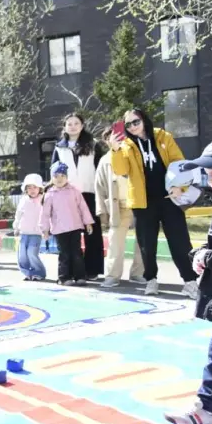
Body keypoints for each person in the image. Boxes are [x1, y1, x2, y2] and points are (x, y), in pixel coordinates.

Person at [165, 137, 212, 424]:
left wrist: (211, 257)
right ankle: (206, 410)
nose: (210, 180)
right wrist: (201, 254)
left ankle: (206, 409)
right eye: (208, 173)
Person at [110, 108, 198, 298]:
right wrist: (115, 149)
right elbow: (120, 170)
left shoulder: (163, 136)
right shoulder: (125, 145)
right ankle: (151, 280)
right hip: (143, 202)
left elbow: (179, 162)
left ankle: (190, 281)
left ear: (144, 120)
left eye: (136, 122)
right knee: (147, 245)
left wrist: (180, 186)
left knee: (180, 241)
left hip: (169, 199)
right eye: (128, 124)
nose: (133, 127)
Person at [52, 114, 105, 279]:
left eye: (76, 123)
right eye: (69, 124)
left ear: (82, 125)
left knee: (92, 232)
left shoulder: (93, 144)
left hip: (89, 193)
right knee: (70, 234)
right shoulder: (59, 148)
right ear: (64, 127)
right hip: (67, 196)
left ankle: (92, 269)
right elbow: (54, 171)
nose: (73, 126)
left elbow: (101, 168)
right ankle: (74, 270)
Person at [95, 130, 146, 288]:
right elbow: (99, 187)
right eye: (111, 137)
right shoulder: (105, 160)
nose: (116, 139)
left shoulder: (136, 153)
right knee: (115, 242)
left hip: (139, 203)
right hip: (119, 206)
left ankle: (138, 273)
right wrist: (102, 211)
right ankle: (112, 275)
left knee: (143, 240)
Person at [42, 162, 94, 286]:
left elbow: (83, 208)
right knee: (64, 254)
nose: (59, 179)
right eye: (56, 176)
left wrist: (88, 222)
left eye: (62, 176)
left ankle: (80, 276)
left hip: (75, 227)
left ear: (67, 177)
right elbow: (45, 214)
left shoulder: (74, 191)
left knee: (77, 253)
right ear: (52, 178)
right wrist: (45, 230)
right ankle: (64, 278)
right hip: (60, 230)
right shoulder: (49, 195)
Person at [13, 174, 47, 281]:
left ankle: (39, 273)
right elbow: (18, 214)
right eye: (29, 187)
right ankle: (27, 273)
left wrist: (46, 229)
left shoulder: (43, 200)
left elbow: (47, 215)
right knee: (22, 255)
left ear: (40, 188)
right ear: (25, 189)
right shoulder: (23, 200)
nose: (32, 190)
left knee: (32, 253)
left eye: (35, 187)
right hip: (24, 232)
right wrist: (16, 227)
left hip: (36, 233)